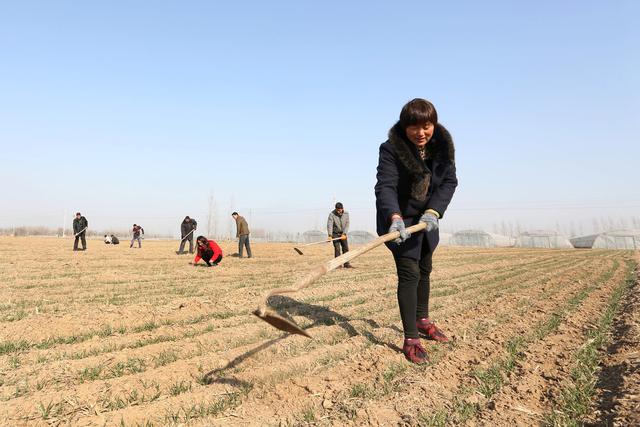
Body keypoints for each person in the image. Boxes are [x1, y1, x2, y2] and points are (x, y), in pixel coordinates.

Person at [375, 98, 458, 364]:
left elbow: (449, 181)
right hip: (398, 220)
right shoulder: (390, 149)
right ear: (404, 126)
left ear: (433, 124)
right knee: (409, 273)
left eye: (426, 125)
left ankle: (422, 320)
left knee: (425, 268)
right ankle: (411, 337)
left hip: (427, 219)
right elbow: (385, 185)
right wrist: (394, 216)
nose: (420, 133)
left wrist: (434, 211)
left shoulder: (442, 148)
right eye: (413, 127)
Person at [327, 202, 353, 268]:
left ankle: (346, 264)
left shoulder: (346, 214)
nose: (339, 211)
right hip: (335, 233)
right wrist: (330, 235)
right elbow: (329, 225)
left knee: (345, 248)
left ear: (342, 209)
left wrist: (344, 233)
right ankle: (338, 265)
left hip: (343, 234)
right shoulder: (332, 214)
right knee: (337, 248)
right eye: (337, 210)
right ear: (336, 209)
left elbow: (347, 224)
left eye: (340, 210)